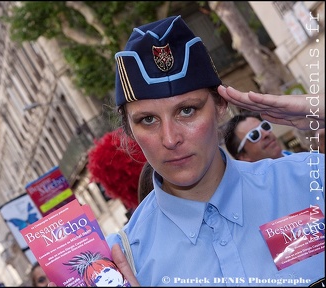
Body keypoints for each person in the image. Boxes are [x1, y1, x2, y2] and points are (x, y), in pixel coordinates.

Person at [102, 15, 324, 287]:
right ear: (128, 129)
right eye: (147, 120)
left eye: (187, 110)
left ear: (221, 105)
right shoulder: (120, 263)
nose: (170, 139)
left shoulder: (310, 181)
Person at [223, 112, 292, 161]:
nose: (266, 134)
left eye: (264, 126)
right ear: (243, 156)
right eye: (254, 135)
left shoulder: (301, 159)